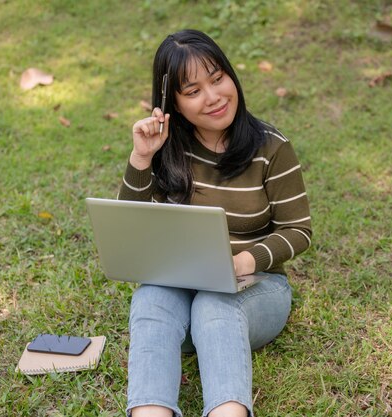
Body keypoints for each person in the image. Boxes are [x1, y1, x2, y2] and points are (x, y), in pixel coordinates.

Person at [117, 29, 312, 417]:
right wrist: (141, 158)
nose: (214, 97)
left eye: (218, 78)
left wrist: (240, 263)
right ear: (170, 102)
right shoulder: (168, 148)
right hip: (179, 288)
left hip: (257, 288)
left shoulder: (271, 148)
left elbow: (298, 230)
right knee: (150, 297)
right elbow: (131, 227)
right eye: (192, 91)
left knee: (213, 303)